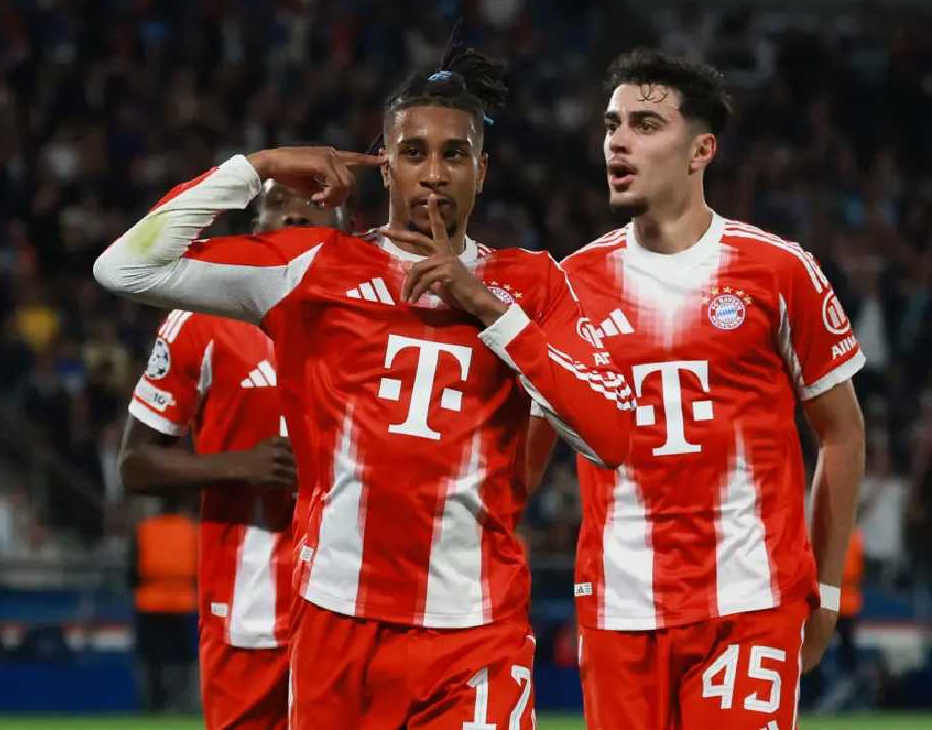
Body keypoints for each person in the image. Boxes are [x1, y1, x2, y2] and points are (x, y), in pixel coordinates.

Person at [94, 39, 634, 728]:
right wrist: (257, 166)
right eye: (413, 153)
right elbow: (124, 268)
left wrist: (490, 309)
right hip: (337, 625)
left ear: (482, 170)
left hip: (477, 631)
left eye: (454, 154)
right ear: (386, 166)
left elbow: (611, 437)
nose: (433, 174)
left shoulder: (532, 282)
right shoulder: (313, 266)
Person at [551, 48, 865, 729]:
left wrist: (827, 588)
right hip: (618, 606)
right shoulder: (569, 285)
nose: (618, 141)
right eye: (611, 125)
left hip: (751, 600)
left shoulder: (779, 270)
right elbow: (525, 442)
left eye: (645, 124)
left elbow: (842, 432)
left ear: (701, 150)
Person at [119, 181, 348, 729]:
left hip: (354, 606)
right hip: (250, 610)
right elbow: (135, 464)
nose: (296, 215)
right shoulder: (201, 321)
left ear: (348, 233)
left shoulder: (384, 322)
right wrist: (238, 465)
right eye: (279, 204)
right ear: (254, 230)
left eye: (316, 206)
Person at [130, 498, 198, 714]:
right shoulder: (192, 530)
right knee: (182, 658)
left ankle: (152, 704)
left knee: (151, 658)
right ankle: (181, 703)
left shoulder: (144, 530)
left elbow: (131, 572)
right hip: (183, 603)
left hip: (149, 603)